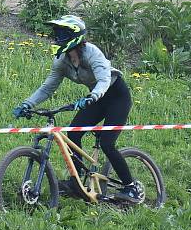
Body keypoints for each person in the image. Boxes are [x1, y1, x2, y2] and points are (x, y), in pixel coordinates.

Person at [12, 15, 142, 203]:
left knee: (107, 143)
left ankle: (132, 188)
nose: (58, 38)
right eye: (57, 34)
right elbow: (48, 87)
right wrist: (27, 104)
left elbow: (104, 79)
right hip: (96, 98)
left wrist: (93, 96)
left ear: (75, 36)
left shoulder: (92, 53)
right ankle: (76, 182)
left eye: (62, 34)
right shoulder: (62, 61)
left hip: (116, 97)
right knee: (73, 134)